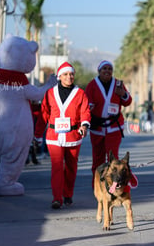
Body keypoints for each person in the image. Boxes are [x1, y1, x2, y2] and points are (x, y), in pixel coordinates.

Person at [35, 62, 91, 209]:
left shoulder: (80, 93)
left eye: (71, 74)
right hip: (54, 136)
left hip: (73, 135)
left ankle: (68, 194)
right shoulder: (49, 93)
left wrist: (84, 125)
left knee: (71, 167)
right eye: (65, 74)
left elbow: (85, 111)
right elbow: (43, 115)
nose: (69, 77)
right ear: (59, 76)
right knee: (57, 167)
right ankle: (57, 198)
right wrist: (37, 135)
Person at [85, 60, 132, 188]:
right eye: (104, 69)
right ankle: (97, 186)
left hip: (114, 128)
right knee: (97, 160)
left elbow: (128, 101)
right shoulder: (92, 85)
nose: (107, 71)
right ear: (99, 71)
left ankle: (113, 186)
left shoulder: (118, 84)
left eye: (109, 69)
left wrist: (123, 94)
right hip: (97, 127)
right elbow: (86, 104)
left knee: (113, 159)